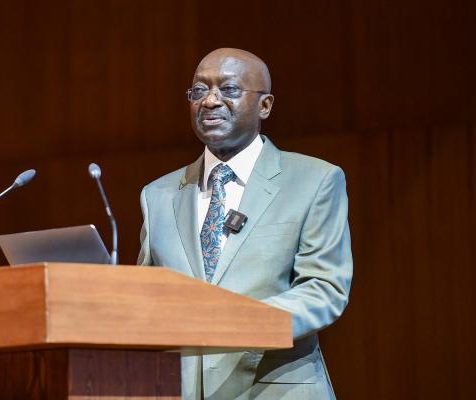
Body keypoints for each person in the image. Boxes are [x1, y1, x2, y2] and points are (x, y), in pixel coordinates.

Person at [137, 48, 353, 399]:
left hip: (274, 387)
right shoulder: (157, 194)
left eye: (229, 90)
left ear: (265, 106)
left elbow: (324, 288)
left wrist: (238, 321)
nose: (210, 101)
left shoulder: (315, 179)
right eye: (198, 91)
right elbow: (147, 295)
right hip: (179, 388)